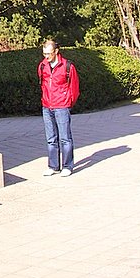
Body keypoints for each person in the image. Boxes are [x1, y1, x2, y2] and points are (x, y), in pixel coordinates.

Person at [38, 39, 80, 177]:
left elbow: (74, 88)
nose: (46, 57)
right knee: (51, 138)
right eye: (44, 53)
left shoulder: (67, 66)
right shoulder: (42, 66)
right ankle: (53, 166)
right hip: (47, 106)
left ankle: (67, 166)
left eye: (49, 54)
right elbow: (42, 84)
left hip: (62, 106)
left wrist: (68, 102)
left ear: (56, 52)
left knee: (65, 138)